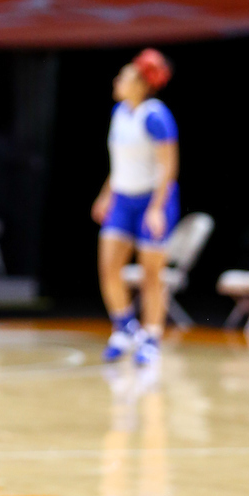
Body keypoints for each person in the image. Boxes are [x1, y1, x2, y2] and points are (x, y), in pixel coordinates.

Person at [92, 49, 179, 368]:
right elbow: (119, 164)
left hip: (152, 201)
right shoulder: (119, 113)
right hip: (123, 199)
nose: (118, 80)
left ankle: (152, 337)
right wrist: (106, 195)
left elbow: (168, 167)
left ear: (142, 83)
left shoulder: (155, 115)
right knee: (109, 267)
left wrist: (157, 209)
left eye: (125, 76)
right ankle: (125, 327)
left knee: (150, 275)